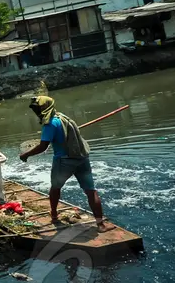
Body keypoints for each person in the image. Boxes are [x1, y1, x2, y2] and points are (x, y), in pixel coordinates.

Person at [19, 96, 114, 233]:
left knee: (55, 188)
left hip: (64, 161)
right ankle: (101, 225)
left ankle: (53, 215)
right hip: (81, 158)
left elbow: (43, 146)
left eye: (37, 108)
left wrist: (25, 154)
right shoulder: (63, 118)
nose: (37, 111)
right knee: (90, 191)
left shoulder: (50, 124)